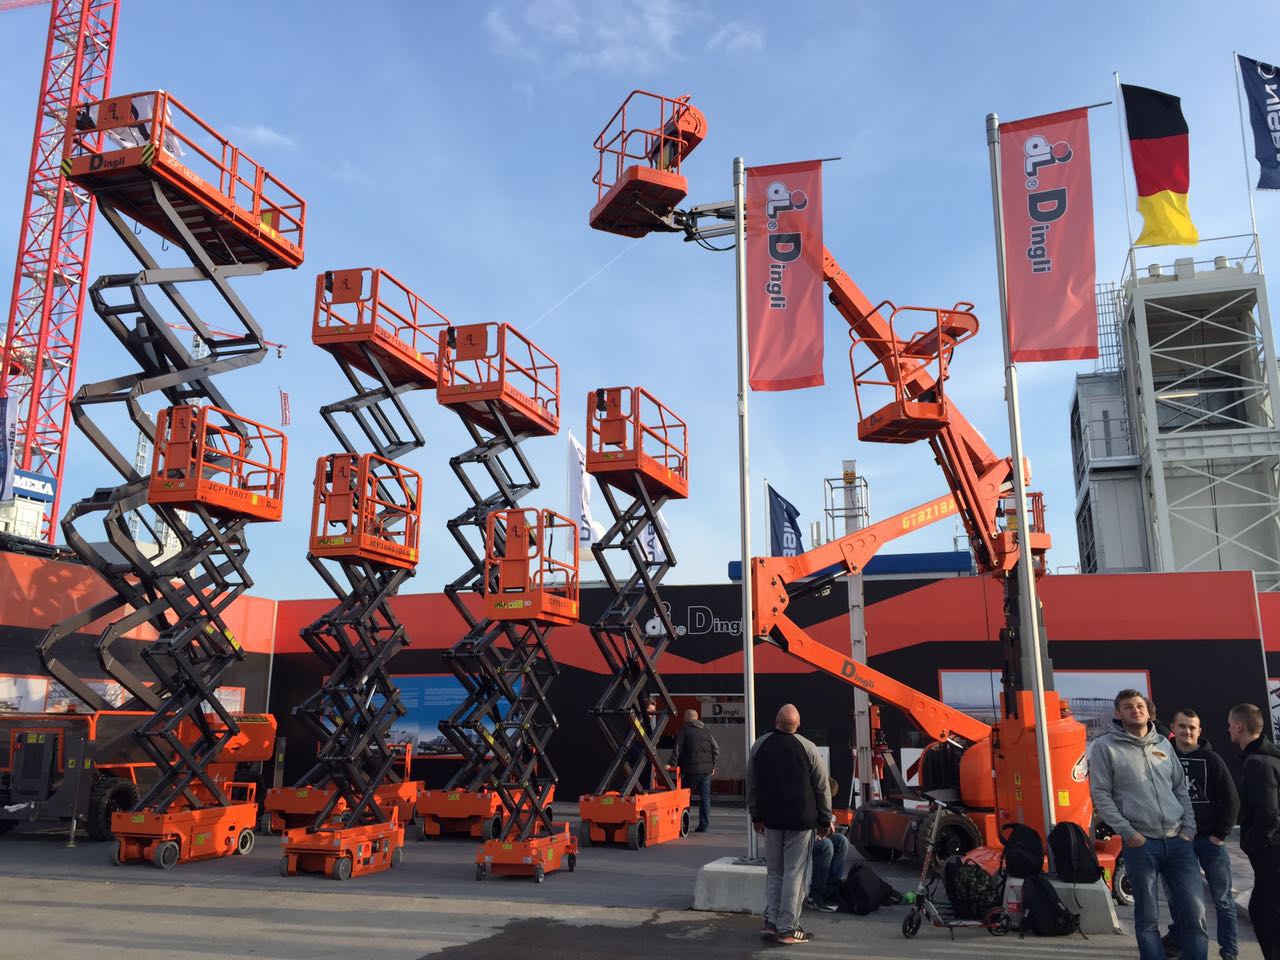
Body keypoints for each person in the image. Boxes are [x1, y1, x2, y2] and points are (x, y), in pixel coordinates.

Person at [1090, 689, 1207, 960]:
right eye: (1128, 707)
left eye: (1139, 705)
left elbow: (1180, 789)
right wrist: (1129, 833)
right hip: (1141, 845)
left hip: (1178, 843)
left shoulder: (1164, 744)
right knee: (1147, 919)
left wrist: (1189, 829)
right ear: (1118, 713)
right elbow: (1101, 795)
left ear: (1148, 710)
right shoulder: (1106, 747)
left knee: (1195, 913)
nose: (1136, 710)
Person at [748, 704, 832, 946]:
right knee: (795, 872)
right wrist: (825, 819)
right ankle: (788, 928)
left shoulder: (759, 746)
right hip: (801, 821)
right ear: (798, 724)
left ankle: (771, 922)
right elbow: (822, 786)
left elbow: (752, 783)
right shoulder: (808, 748)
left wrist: (756, 815)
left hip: (771, 820)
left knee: (775, 871)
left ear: (776, 720)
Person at [1161, 709, 1239, 960]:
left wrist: (1220, 835)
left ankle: (1229, 950)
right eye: (1182, 726)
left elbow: (1231, 799)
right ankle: (1180, 942)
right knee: (1179, 899)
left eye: (1192, 727)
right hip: (1176, 840)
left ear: (1199, 731)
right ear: (1173, 727)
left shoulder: (1212, 760)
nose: (1187, 731)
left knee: (1222, 899)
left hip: (1209, 841)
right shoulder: (1162, 757)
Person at [1228, 703, 1280, 960]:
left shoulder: (1257, 763)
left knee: (1266, 915)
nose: (1228, 730)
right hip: (1272, 851)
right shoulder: (1270, 758)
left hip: (1271, 853)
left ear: (1239, 726)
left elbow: (1268, 813)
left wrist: (1253, 843)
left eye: (1230, 725)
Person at [671, 708, 718, 831]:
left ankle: (684, 825)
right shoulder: (706, 730)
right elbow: (716, 748)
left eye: (684, 716)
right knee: (705, 798)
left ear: (688, 718)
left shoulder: (685, 730)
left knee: (685, 797)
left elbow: (678, 748)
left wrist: (671, 764)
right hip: (706, 770)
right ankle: (704, 825)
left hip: (691, 769)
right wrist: (713, 765)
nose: (683, 719)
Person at [806, 777, 847, 912]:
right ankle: (815, 895)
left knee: (841, 841)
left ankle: (831, 889)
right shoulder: (807, 800)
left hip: (814, 835)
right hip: (801, 839)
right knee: (826, 846)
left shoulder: (821, 804)